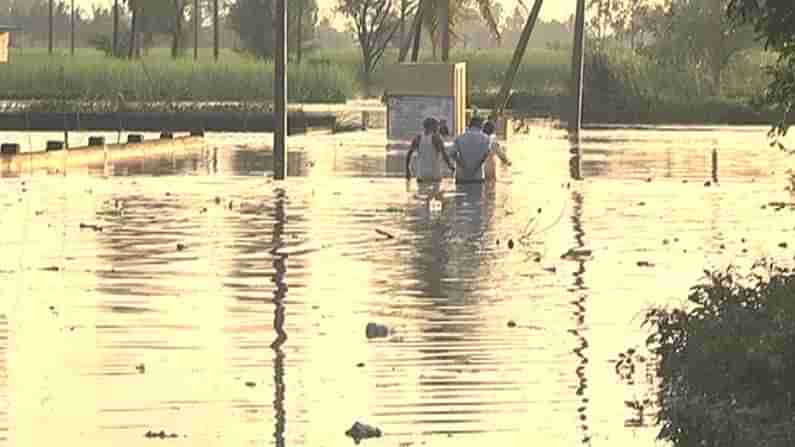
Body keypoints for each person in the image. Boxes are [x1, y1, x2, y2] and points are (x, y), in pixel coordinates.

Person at [406, 117, 456, 182]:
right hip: (435, 174)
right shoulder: (437, 138)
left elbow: (409, 154)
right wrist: (451, 167)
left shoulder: (417, 138)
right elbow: (444, 156)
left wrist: (408, 170)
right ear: (432, 126)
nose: (438, 128)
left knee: (421, 191)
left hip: (421, 174)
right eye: (437, 126)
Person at [451, 116, 491, 184]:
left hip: (461, 177)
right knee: (477, 194)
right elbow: (486, 155)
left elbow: (452, 154)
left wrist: (463, 166)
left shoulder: (459, 137)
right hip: (478, 176)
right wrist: (475, 168)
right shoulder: (486, 138)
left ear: (470, 125)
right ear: (480, 125)